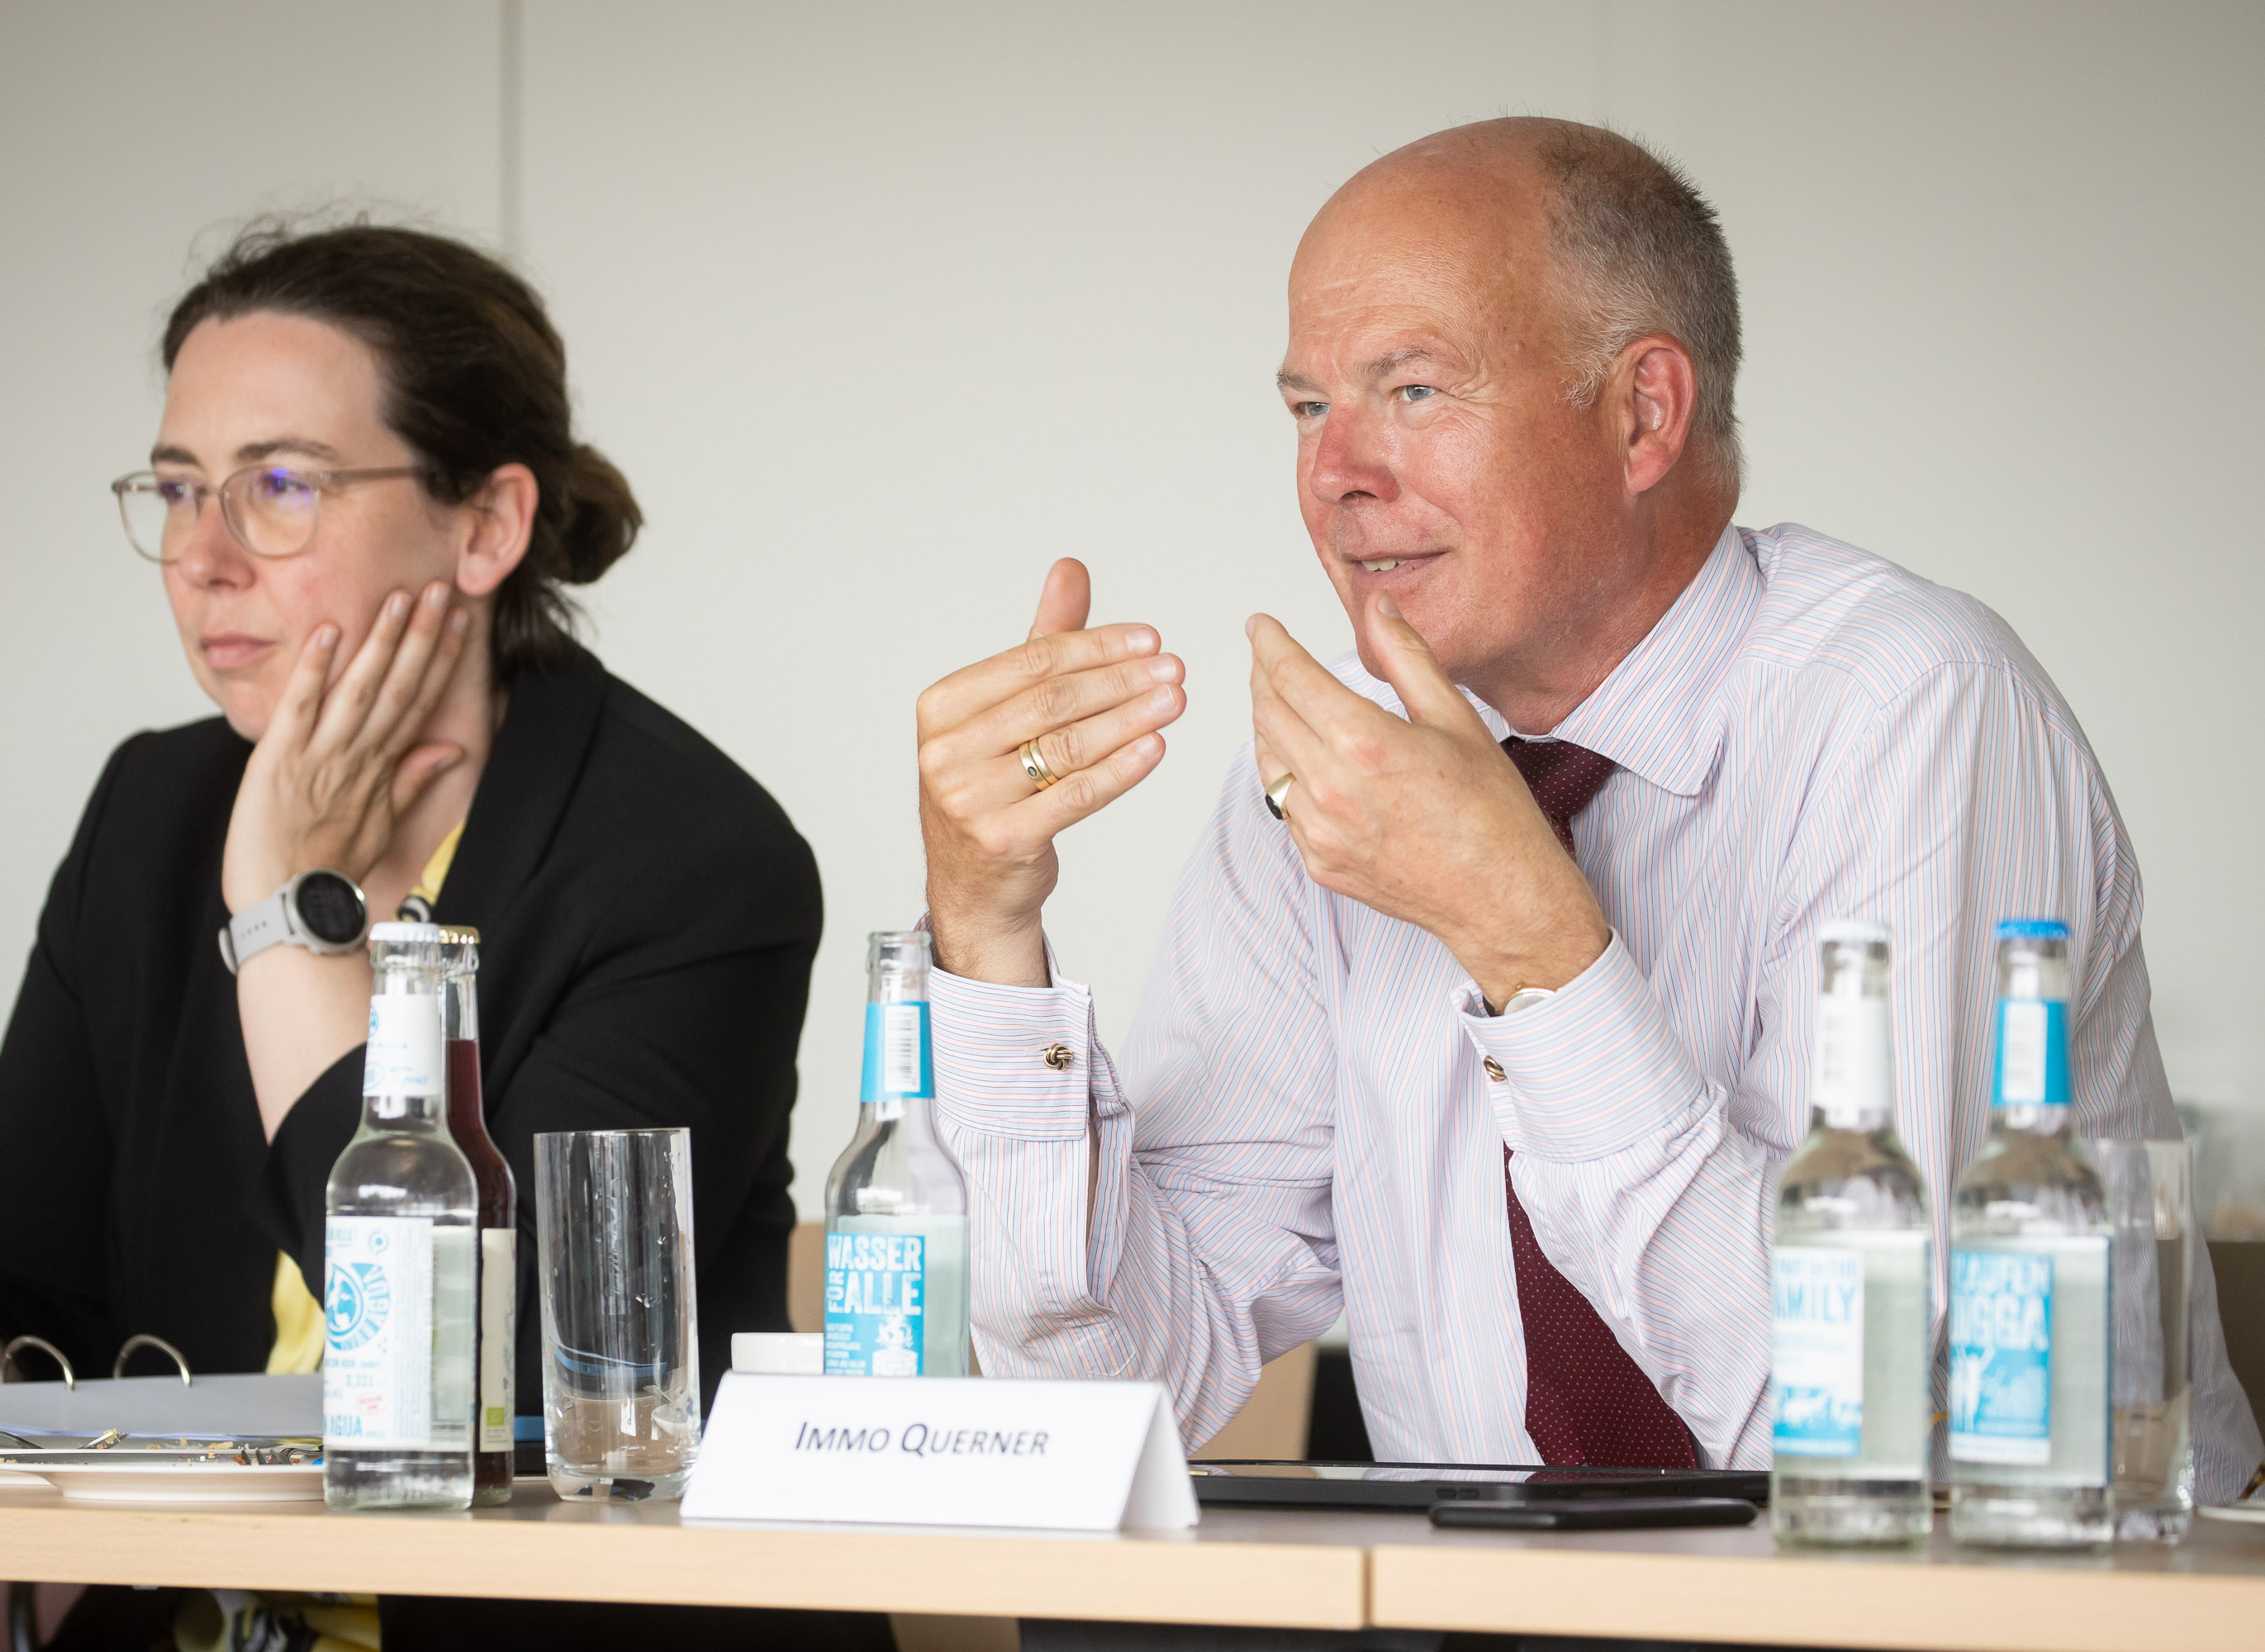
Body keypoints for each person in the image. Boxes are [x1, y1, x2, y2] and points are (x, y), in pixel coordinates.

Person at [916, 119, 2263, 1499]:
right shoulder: (1331, 778)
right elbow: (1116, 1390)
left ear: (1643, 415)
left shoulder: (1911, 707)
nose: (1337, 475)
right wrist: (989, 932)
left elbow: (1875, 1447)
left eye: (1417, 390)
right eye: (1310, 407)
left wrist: (1532, 951)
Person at [0, 222, 885, 1650]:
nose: (200, 559)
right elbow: (7, 1282)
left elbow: (471, 1365)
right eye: (178, 490)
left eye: (280, 487)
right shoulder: (151, 810)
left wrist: (278, 910)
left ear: (486, 524)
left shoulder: (689, 859)